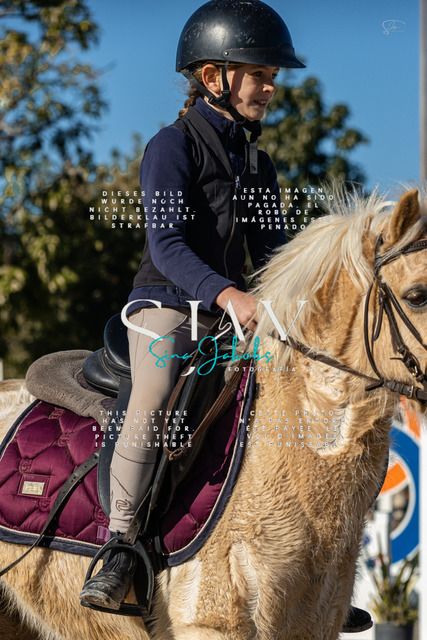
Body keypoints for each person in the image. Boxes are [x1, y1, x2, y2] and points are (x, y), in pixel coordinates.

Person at [79, 1, 371, 632]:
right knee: (155, 391)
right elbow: (166, 246)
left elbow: (272, 256)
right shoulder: (171, 146)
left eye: (273, 77)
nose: (270, 87)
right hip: (166, 306)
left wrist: (304, 306)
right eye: (259, 75)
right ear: (214, 78)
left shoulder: (258, 164)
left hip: (233, 315)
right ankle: (120, 546)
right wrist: (230, 296)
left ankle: (308, 571)